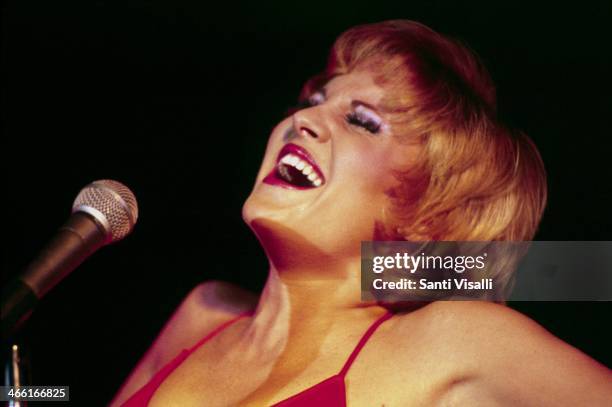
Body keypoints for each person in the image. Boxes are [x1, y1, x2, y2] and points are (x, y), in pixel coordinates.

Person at [111, 20, 612, 406]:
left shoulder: (454, 341)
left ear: (425, 214)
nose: (303, 120)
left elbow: (578, 272)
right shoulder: (205, 312)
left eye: (362, 122)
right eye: (313, 100)